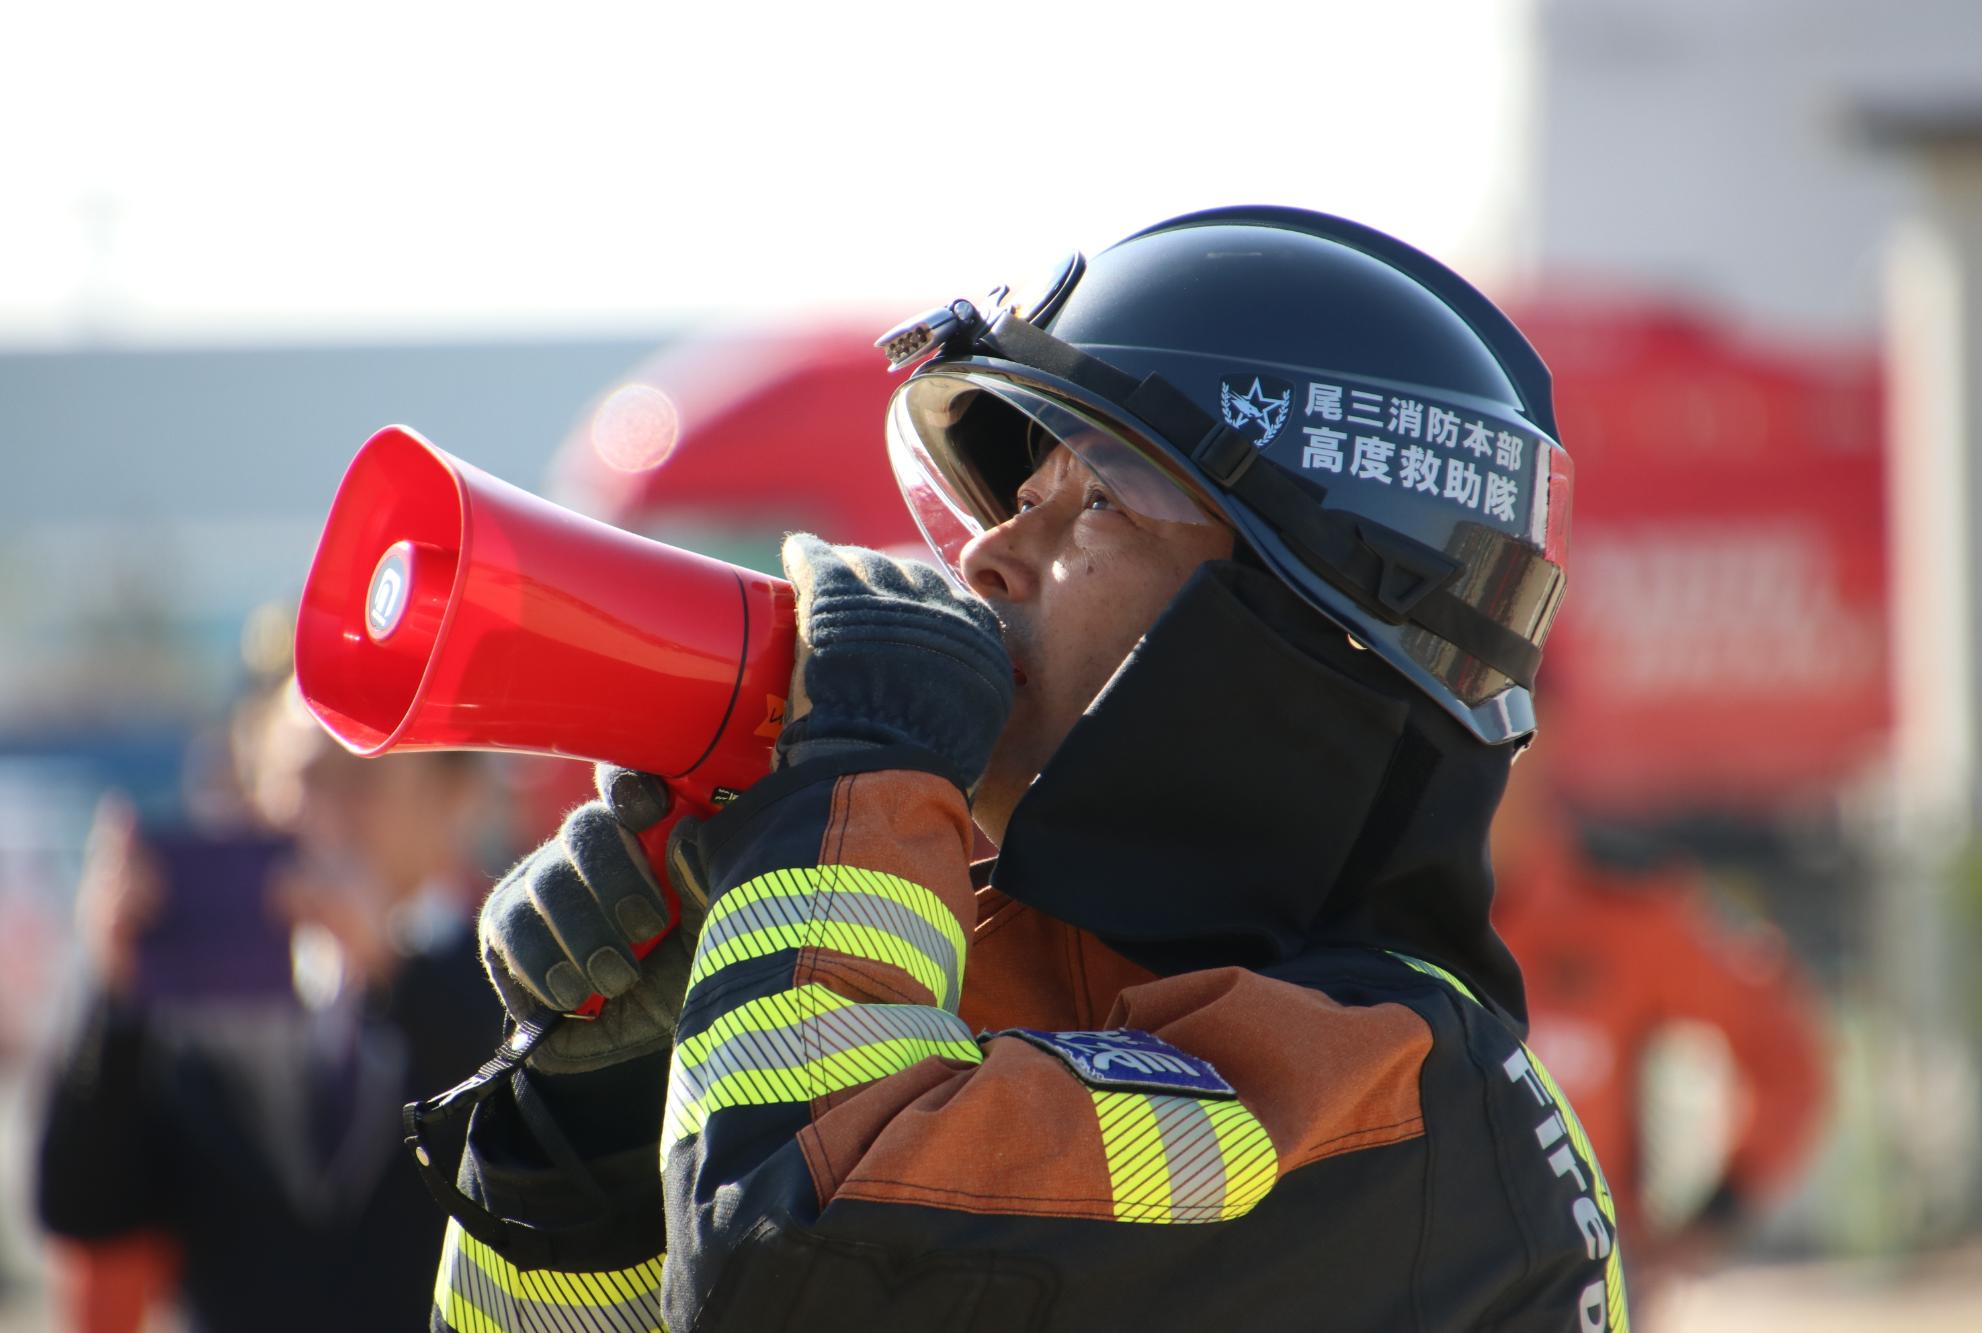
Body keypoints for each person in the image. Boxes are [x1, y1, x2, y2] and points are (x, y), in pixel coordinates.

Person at [426, 206, 1626, 1331]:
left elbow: (806, 1269)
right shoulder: (967, 989)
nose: (987, 556)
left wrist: (862, 779)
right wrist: (599, 1133)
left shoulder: (1411, 1099)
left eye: (1096, 500)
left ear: (1303, 633)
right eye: (1012, 499)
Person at [36, 681, 499, 1332]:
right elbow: (85, 1207)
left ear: (452, 797)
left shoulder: (509, 974)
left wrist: (391, 970)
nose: (329, 817)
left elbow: (526, 1140)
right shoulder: (197, 985)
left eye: (362, 780)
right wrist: (113, 998)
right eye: (306, 779)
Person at [1489, 688, 1827, 1301]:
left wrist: (1716, 1215)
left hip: (1580, 1291)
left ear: (1548, 735)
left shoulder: (1628, 905)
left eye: (1499, 715)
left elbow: (1784, 1054)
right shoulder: (1355, 901)